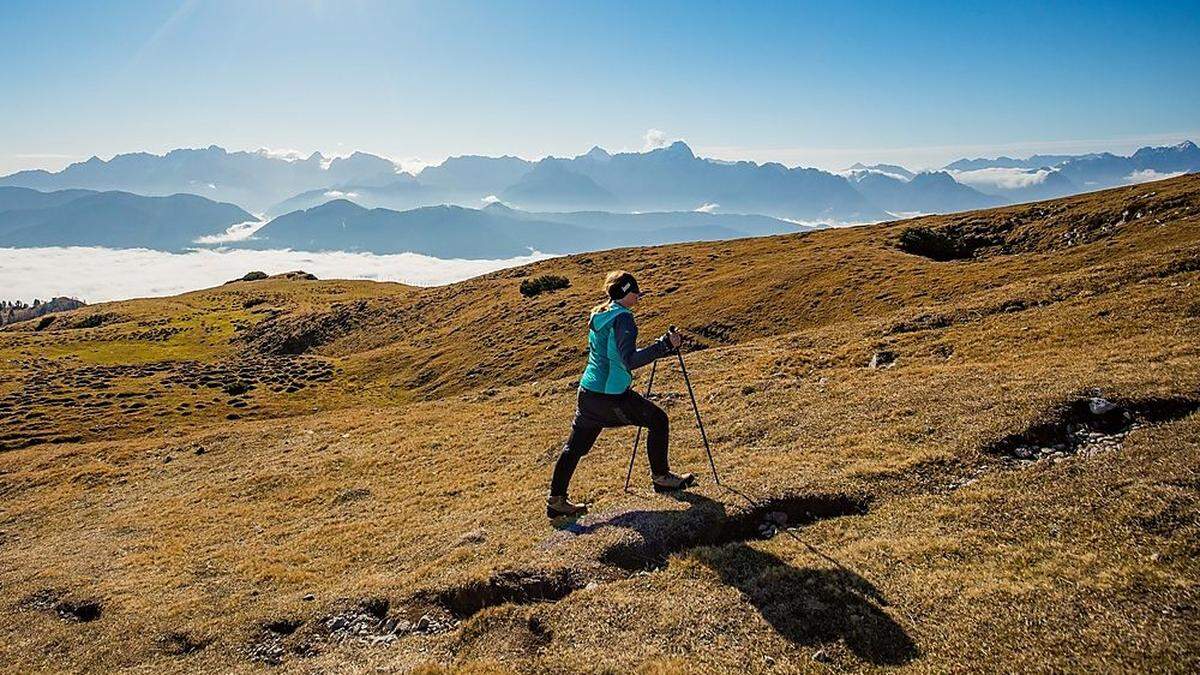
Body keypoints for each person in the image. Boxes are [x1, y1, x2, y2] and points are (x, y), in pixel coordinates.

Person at [547, 270, 694, 518]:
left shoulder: (600, 313)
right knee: (658, 420)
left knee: (574, 448)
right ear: (626, 293)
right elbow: (630, 361)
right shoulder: (623, 318)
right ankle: (661, 478)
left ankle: (556, 500)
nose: (638, 296)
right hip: (611, 396)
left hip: (589, 393)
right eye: (636, 292)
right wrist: (666, 345)